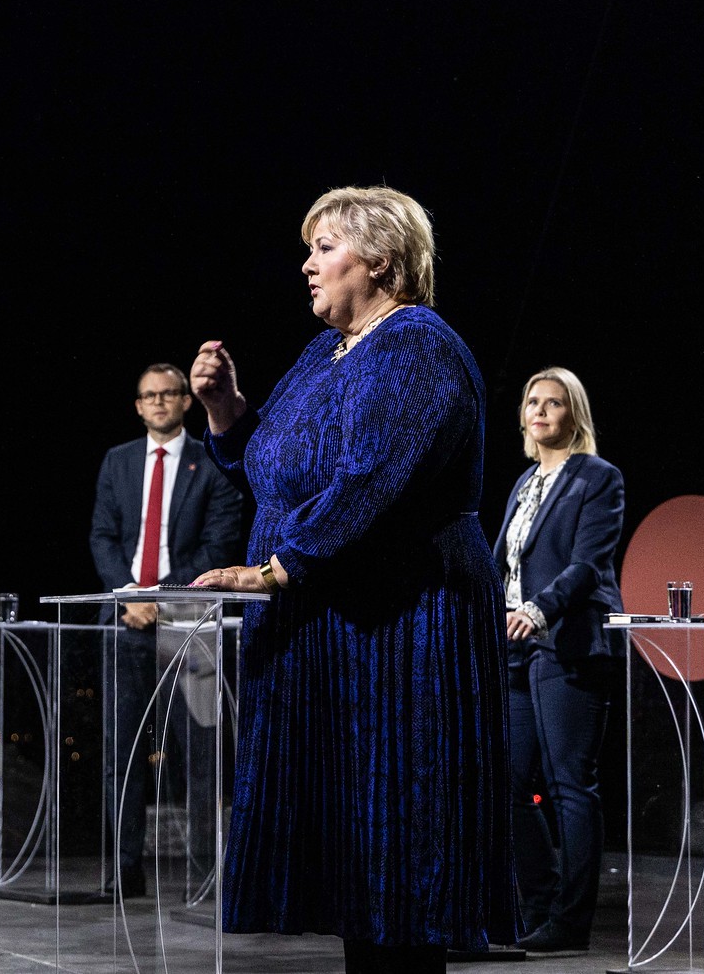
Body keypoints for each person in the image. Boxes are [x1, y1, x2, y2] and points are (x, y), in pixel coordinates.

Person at [189, 186, 516, 974]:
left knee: (396, 863)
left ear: (382, 260)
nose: (307, 264)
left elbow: (372, 478)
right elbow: (280, 468)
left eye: (325, 246)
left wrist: (279, 566)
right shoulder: (326, 351)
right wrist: (228, 413)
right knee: (355, 870)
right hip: (334, 628)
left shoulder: (415, 344)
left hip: (400, 626)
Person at [88, 363, 248, 894]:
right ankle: (123, 871)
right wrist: (130, 598)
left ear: (185, 402)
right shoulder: (118, 462)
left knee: (200, 753)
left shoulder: (213, 462)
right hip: (126, 625)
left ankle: (205, 872)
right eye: (148, 395)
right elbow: (103, 538)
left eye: (168, 394)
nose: (158, 402)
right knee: (123, 754)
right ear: (138, 406)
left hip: (190, 626)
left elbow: (217, 546)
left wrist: (162, 598)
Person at [492, 367, 624, 954]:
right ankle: (539, 907)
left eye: (554, 403)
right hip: (517, 648)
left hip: (568, 644)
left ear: (575, 415)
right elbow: (503, 566)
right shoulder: (524, 484)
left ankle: (572, 924)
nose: (540, 411)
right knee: (507, 783)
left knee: (571, 785)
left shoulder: (597, 478)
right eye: (532, 402)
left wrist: (539, 610)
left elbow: (587, 565)